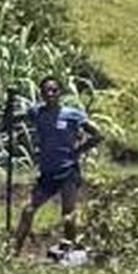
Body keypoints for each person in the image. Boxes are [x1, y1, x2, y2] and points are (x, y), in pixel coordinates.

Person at [16, 75, 99, 252]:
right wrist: (9, 113)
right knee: (28, 210)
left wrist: (78, 151)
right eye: (47, 90)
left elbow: (98, 135)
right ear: (41, 93)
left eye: (54, 90)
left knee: (68, 215)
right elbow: (18, 118)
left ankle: (70, 252)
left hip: (68, 170)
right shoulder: (37, 112)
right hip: (47, 172)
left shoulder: (72, 114)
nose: (51, 94)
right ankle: (14, 251)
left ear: (60, 93)